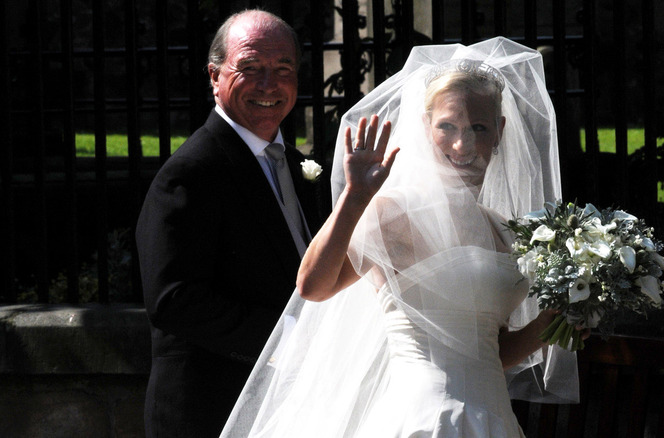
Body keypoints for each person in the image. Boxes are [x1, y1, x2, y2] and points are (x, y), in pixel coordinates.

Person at [221, 37, 581, 438]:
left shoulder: (501, 228)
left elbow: (485, 354)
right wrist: (355, 199)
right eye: (448, 126)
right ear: (426, 129)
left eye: (478, 127)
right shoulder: (395, 212)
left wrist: (549, 325)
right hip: (423, 421)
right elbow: (313, 286)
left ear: (499, 131)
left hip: (492, 421)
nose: (462, 145)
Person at [135, 9, 320, 438]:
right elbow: (173, 300)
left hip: (290, 407)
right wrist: (289, 337)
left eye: (282, 69)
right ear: (214, 76)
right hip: (211, 410)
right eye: (250, 68)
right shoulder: (191, 173)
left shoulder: (299, 168)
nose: (268, 85)